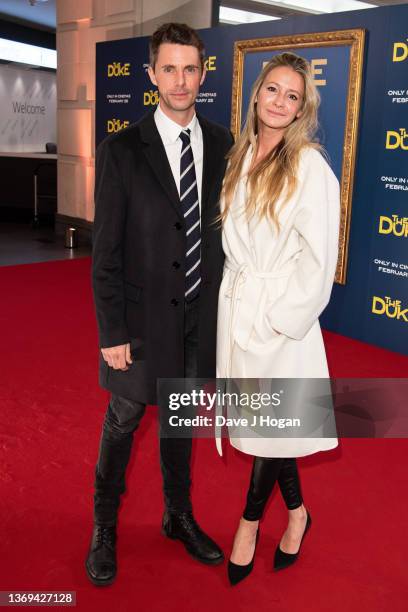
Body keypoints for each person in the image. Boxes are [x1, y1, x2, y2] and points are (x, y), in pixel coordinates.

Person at [86, 22, 233, 586]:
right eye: (168, 69)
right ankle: (104, 525)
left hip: (200, 317)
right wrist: (111, 330)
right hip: (141, 322)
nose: (180, 80)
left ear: (203, 73)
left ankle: (178, 515)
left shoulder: (223, 144)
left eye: (190, 68)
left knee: (180, 421)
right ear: (150, 76)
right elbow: (106, 254)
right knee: (124, 419)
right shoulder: (121, 150)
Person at [216, 52, 340, 585]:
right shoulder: (240, 153)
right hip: (239, 307)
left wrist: (282, 319)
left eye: (292, 96)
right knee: (273, 430)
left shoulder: (309, 165)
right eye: (273, 90)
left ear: (301, 107)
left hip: (280, 325)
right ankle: (298, 515)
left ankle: (248, 524)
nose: (280, 102)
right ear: (257, 93)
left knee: (271, 432)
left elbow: (320, 258)